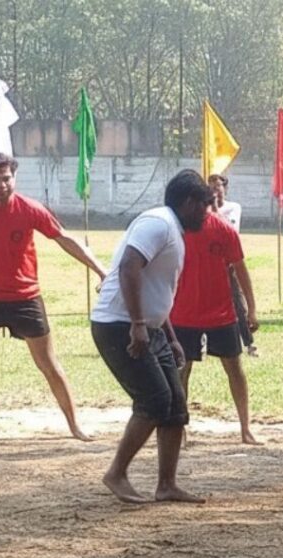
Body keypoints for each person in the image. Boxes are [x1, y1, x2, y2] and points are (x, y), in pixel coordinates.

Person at [0, 152, 107, 445]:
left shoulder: (29, 208)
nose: (3, 184)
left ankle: (75, 425)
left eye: (7, 178)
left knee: (48, 363)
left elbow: (63, 238)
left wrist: (100, 270)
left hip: (25, 297)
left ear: (15, 177)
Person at [90, 169, 214, 504]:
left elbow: (157, 289)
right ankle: (116, 473)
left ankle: (167, 484)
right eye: (204, 205)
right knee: (155, 400)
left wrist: (168, 335)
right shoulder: (158, 223)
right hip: (119, 324)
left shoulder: (173, 229)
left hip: (149, 326)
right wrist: (138, 324)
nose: (207, 212)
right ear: (188, 202)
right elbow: (128, 266)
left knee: (174, 404)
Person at [170, 200, 261, 445]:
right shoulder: (177, 229)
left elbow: (241, 269)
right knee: (181, 371)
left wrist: (251, 309)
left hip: (221, 313)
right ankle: (178, 429)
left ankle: (245, 428)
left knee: (234, 368)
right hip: (183, 314)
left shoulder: (224, 230)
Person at [208, 173, 257, 358]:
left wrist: (214, 209)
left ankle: (249, 342)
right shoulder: (204, 210)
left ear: (225, 188)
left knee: (237, 302)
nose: (215, 190)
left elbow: (230, 230)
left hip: (230, 263)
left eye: (218, 186)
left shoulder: (233, 207)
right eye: (211, 187)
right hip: (212, 263)